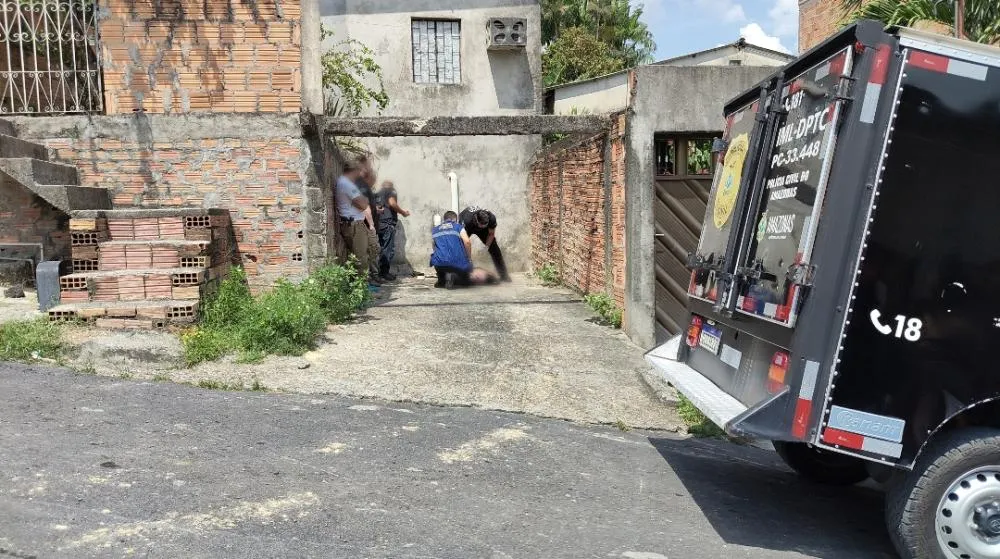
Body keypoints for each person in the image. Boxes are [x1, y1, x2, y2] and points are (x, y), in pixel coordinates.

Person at [335, 156, 372, 283]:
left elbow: (362, 203)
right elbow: (363, 204)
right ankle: (361, 289)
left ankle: (358, 286)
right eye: (360, 170)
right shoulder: (346, 184)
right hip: (354, 225)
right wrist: (364, 201)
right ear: (354, 170)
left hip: (351, 223)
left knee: (356, 256)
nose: (361, 173)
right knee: (361, 257)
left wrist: (363, 202)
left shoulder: (344, 182)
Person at [458, 206, 510, 282]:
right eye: (482, 225)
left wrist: (487, 247)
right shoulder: (467, 220)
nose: (484, 226)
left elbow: (491, 234)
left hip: (482, 230)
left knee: (495, 249)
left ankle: (504, 275)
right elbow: (464, 240)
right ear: (476, 220)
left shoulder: (491, 218)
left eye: (485, 224)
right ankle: (461, 274)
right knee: (461, 248)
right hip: (468, 227)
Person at [376, 180, 410, 281]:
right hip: (388, 223)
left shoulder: (377, 194)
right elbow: (392, 203)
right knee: (388, 249)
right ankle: (384, 273)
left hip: (379, 223)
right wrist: (403, 212)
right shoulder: (391, 191)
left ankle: (379, 272)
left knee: (382, 248)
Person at [355, 159, 381, 285]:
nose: (370, 169)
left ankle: (371, 277)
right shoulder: (360, 185)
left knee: (371, 251)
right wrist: (371, 225)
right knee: (372, 250)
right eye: (368, 166)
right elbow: (365, 207)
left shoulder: (362, 185)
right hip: (366, 225)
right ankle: (371, 278)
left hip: (365, 224)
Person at [430, 211, 473, 289]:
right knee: (466, 282)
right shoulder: (458, 226)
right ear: (455, 219)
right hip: (457, 263)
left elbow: (434, 246)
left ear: (444, 219)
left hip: (440, 264)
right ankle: (456, 277)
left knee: (434, 256)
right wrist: (469, 258)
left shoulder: (435, 229)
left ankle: (441, 279)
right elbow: (467, 242)